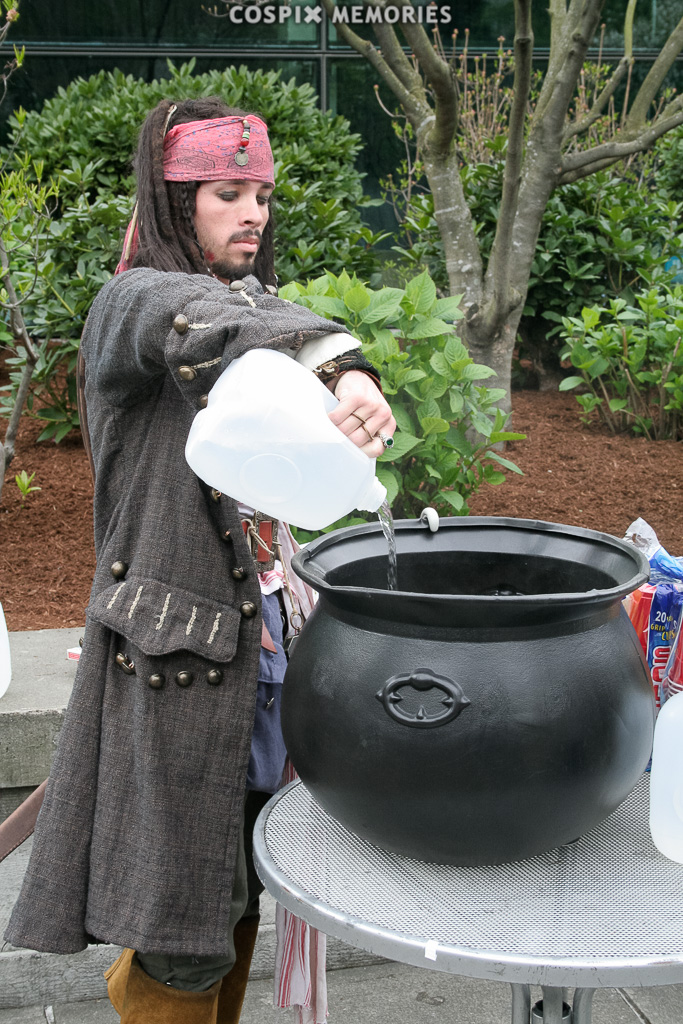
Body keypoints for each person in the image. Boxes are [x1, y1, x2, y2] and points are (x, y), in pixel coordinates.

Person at [5, 96, 396, 1022]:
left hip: (264, 648)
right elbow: (199, 320)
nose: (252, 213)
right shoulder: (133, 301)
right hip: (172, 662)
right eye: (227, 194)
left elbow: (261, 325)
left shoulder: (257, 305)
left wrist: (342, 377)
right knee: (184, 928)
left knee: (239, 893)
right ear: (176, 203)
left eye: (260, 194)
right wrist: (334, 360)